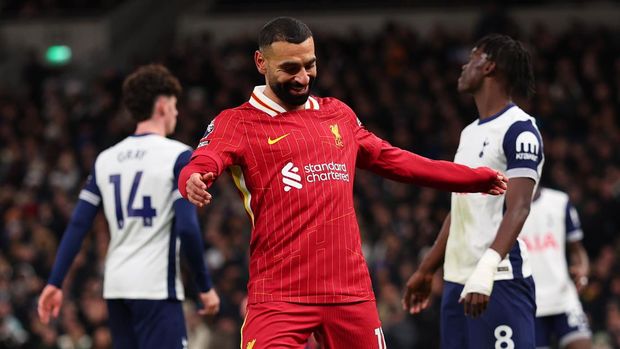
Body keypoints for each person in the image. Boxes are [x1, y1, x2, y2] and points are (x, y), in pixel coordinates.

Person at [178, 17, 508, 348]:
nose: (303, 78)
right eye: (290, 68)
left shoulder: (337, 115)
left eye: (310, 65)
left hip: (349, 293)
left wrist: (474, 178)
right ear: (261, 62)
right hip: (279, 294)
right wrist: (192, 178)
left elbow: (399, 161)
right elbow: (203, 161)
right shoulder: (237, 122)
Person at [37, 64, 220, 349]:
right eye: (173, 105)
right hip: (156, 288)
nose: (177, 112)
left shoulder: (106, 159)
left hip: (117, 287)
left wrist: (55, 282)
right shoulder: (179, 156)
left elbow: (78, 225)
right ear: (161, 105)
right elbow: (186, 225)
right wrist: (204, 287)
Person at [402, 34, 543, 349]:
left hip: (499, 281)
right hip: (456, 283)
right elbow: (462, 208)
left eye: (471, 59)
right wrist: (427, 269)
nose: (464, 67)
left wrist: (486, 271)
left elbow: (519, 207)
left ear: (489, 66)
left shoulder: (520, 129)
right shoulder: (469, 133)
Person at [520, 187, 592, 349]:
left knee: (583, 344)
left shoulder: (559, 201)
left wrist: (582, 269)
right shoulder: (503, 206)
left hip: (564, 299)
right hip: (529, 304)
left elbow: (577, 249)